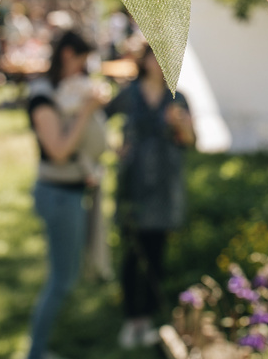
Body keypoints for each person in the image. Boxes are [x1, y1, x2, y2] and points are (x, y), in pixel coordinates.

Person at [26, 30, 110, 359]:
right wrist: (86, 111)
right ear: (67, 55)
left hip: (73, 190)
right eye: (83, 59)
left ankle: (38, 349)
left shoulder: (64, 90)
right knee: (61, 280)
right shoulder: (42, 95)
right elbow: (59, 150)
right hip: (58, 194)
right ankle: (35, 352)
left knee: (65, 277)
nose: (86, 68)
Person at [107, 46, 195, 349]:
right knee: (133, 254)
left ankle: (147, 318)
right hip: (134, 184)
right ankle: (131, 320)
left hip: (164, 186)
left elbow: (191, 140)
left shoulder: (178, 97)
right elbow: (99, 117)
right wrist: (113, 149)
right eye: (152, 56)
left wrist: (180, 125)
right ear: (143, 60)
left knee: (156, 255)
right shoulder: (129, 94)